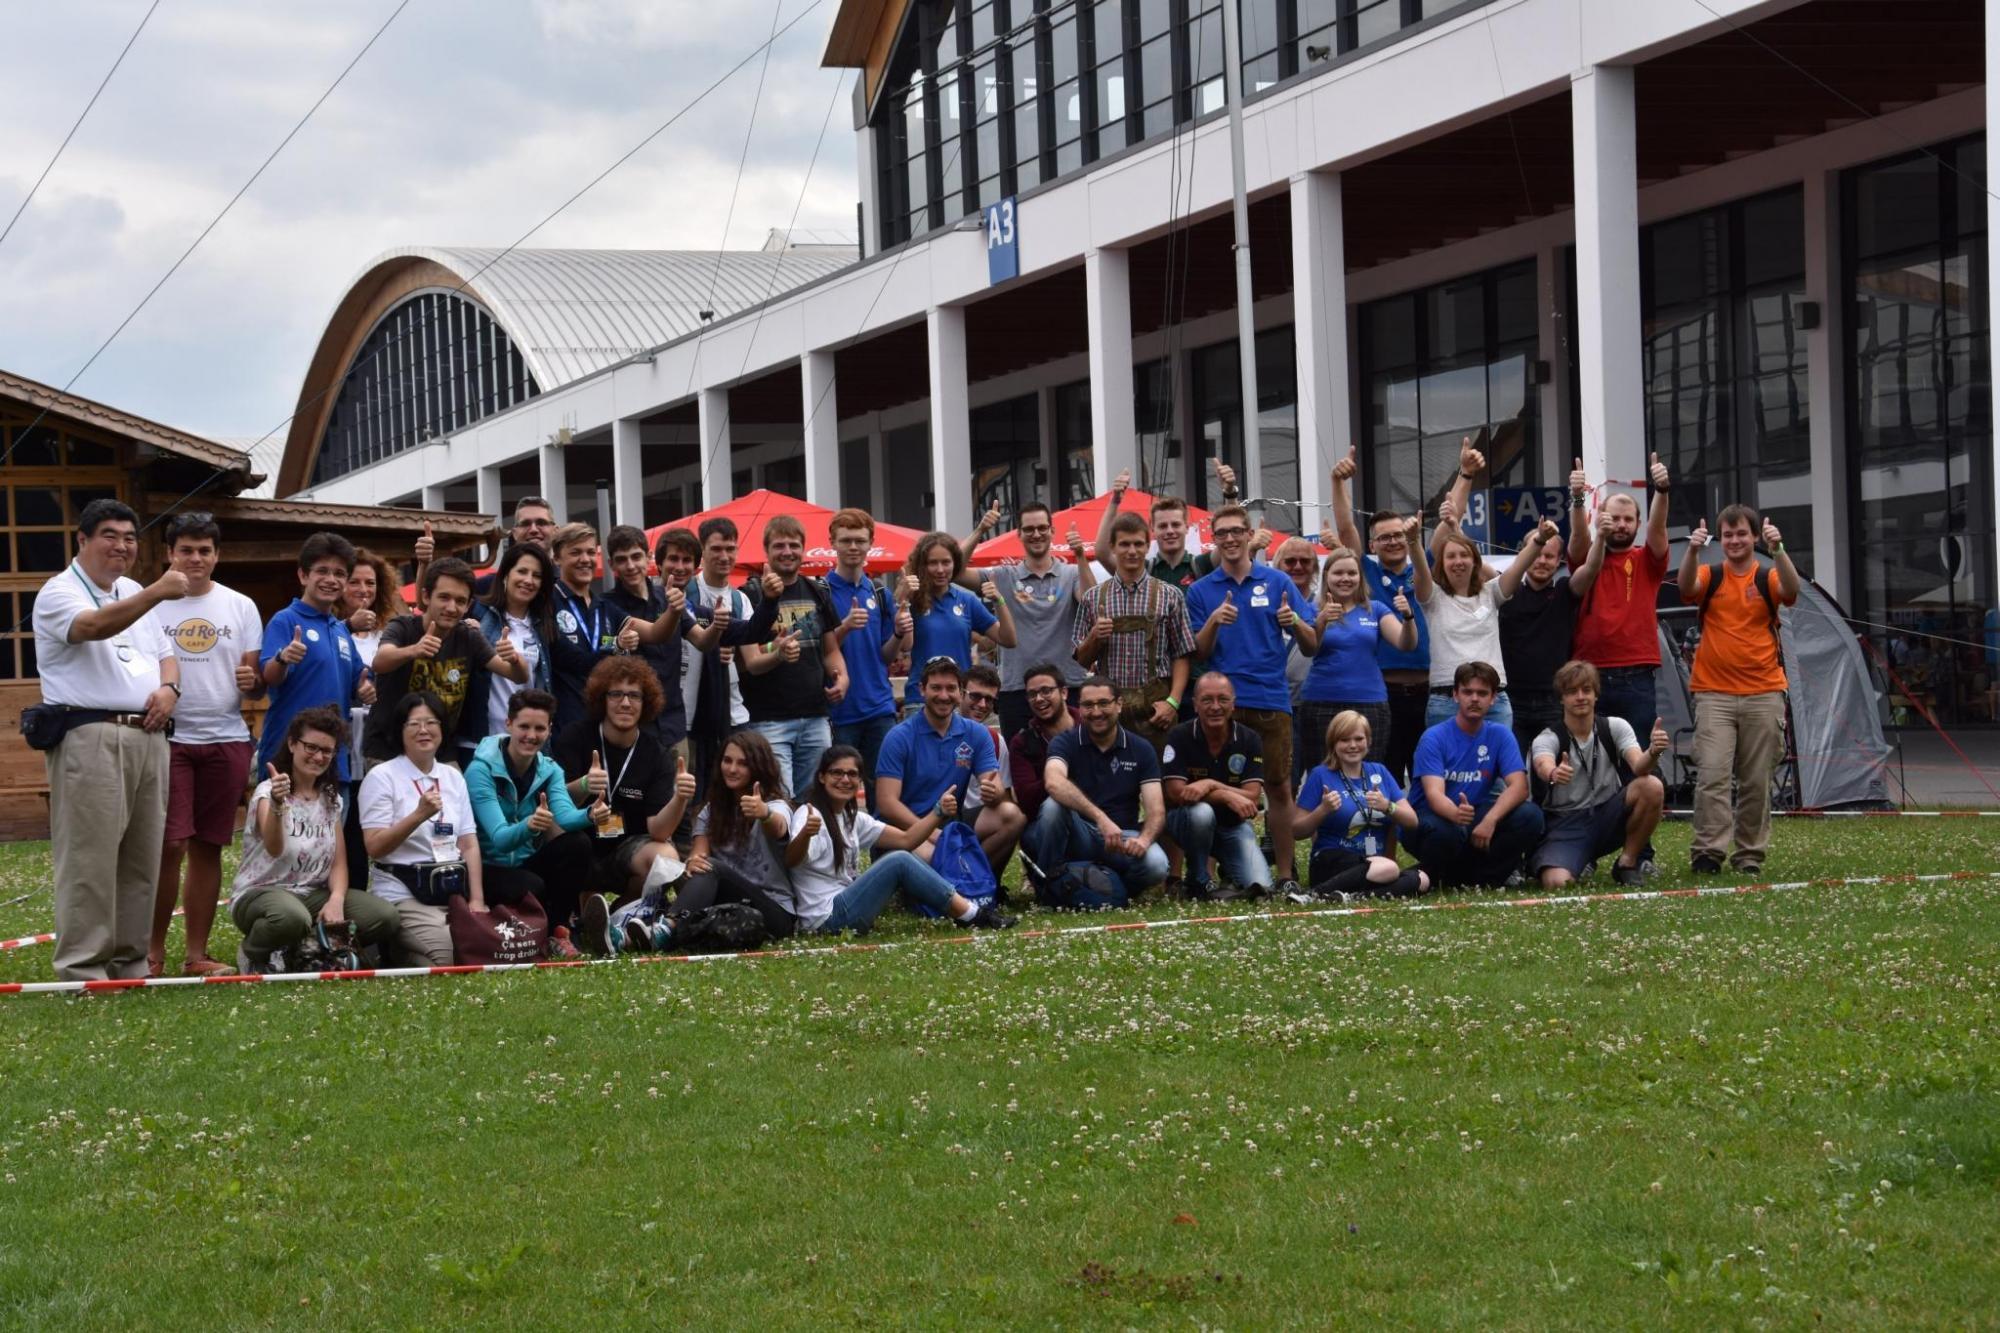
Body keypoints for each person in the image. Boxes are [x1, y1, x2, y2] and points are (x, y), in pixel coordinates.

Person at [32, 498, 185, 981]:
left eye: (130, 537)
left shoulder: (134, 590)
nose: (121, 546)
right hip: (90, 733)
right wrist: (159, 590)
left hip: (148, 732)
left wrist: (170, 687)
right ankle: (83, 968)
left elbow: (167, 654)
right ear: (83, 540)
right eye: (110, 536)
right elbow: (93, 627)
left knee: (141, 858)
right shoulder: (59, 592)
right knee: (90, 858)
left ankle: (129, 962)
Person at [1185, 503, 1321, 897]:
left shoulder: (1278, 582)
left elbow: (1312, 646)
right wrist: (1214, 620)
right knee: (1213, 788)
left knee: (1279, 788)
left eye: (1235, 532)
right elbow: (1198, 653)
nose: (1229, 539)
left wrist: (1292, 622)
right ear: (1214, 538)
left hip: (1270, 701)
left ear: (1249, 536)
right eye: (1221, 533)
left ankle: (1285, 872)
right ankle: (1207, 876)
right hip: (1220, 706)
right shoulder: (1201, 589)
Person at [149, 512, 263, 978]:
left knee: (208, 846)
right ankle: (151, 952)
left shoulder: (241, 606)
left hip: (228, 736)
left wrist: (252, 679)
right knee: (169, 844)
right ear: (169, 553)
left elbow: (254, 683)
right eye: (186, 549)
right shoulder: (151, 603)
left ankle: (195, 954)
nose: (195, 558)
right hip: (168, 738)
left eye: (204, 550)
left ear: (218, 555)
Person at [772, 746, 1016, 935]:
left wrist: (938, 812)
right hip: (826, 920)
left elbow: (907, 839)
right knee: (898, 861)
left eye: (852, 774)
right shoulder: (810, 814)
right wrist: (805, 834)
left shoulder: (851, 818)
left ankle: (968, 910)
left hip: (844, 908)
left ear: (859, 782)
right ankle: (972, 915)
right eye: (837, 772)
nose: (845, 779)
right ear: (822, 777)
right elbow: (793, 860)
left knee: (903, 856)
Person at [229, 707, 399, 974]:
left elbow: (339, 863)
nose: (318, 756)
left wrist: (336, 899)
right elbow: (274, 848)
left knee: (384, 917)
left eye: (327, 751)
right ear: (292, 744)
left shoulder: (331, 799)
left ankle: (302, 949)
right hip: (262, 893)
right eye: (311, 747)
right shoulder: (266, 791)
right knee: (290, 918)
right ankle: (253, 952)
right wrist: (277, 803)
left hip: (311, 895)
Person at [1679, 506, 1800, 875]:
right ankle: (1707, 853)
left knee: (1756, 782)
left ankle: (1749, 857)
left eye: (1742, 534)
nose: (1734, 541)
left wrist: (1779, 550)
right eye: (1728, 535)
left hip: (1764, 692)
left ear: (1754, 537)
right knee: (1712, 775)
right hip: (1713, 693)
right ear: (1720, 538)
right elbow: (1686, 589)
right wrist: (1692, 550)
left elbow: (1792, 592)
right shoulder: (1709, 574)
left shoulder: (1767, 576)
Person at [361, 692, 518, 966]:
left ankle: (406, 953)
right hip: (404, 892)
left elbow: (468, 843)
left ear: (442, 730)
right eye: (414, 724)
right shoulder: (382, 777)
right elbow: (374, 846)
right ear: (400, 731)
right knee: (450, 953)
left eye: (431, 722)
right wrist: (418, 815)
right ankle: (395, 951)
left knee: (481, 946)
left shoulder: (452, 776)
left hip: (450, 889)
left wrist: (477, 901)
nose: (424, 730)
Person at [259, 532, 379, 883]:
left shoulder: (339, 630)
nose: (331, 580)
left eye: (339, 573)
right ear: (303, 575)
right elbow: (269, 675)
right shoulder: (285, 621)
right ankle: (275, 927)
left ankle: (323, 930)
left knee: (324, 856)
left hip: (333, 763)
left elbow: (360, 677)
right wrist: (283, 657)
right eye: (322, 571)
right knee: (282, 856)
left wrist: (366, 687)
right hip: (286, 757)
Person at [550, 656, 696, 943]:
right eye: (616, 694)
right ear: (602, 698)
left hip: (624, 850)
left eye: (634, 695)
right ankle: (565, 918)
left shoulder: (656, 753)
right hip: (579, 842)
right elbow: (550, 803)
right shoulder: (574, 737)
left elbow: (659, 831)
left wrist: (680, 798)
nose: (625, 703)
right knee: (551, 830)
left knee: (665, 856)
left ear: (646, 703)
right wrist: (581, 786)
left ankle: (620, 916)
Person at [465, 688, 603, 959]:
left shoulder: (549, 768)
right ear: (508, 725)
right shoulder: (479, 771)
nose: (531, 735)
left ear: (550, 730)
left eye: (540, 728)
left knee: (578, 845)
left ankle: (557, 932)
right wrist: (530, 824)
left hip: (525, 865)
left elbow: (563, 817)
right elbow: (500, 839)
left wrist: (589, 814)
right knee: (532, 885)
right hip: (485, 869)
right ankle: (540, 931)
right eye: (524, 726)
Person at [362, 556, 528, 767]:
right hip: (388, 751)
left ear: (469, 605)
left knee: (456, 798)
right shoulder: (403, 626)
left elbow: (517, 675)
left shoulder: (469, 637)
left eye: (460, 601)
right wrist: (414, 650)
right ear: (426, 596)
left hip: (440, 753)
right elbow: (380, 661)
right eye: (444, 597)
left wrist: (514, 659)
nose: (451, 607)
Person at [1331, 446, 1432, 786]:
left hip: (1429, 693)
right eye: (1384, 537)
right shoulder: (1366, 573)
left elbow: (1452, 523)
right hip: (1383, 694)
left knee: (1427, 774)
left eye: (1398, 535)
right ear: (1372, 545)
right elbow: (1346, 531)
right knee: (1382, 776)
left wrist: (1464, 475)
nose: (1392, 541)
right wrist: (1337, 483)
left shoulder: (1424, 566)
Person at [1024, 675, 1169, 901]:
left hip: (1122, 838)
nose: (1096, 712)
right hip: (1079, 834)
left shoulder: (1141, 748)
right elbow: (1053, 781)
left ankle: (1111, 891)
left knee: (1157, 864)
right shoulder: (1064, 742)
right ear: (1079, 708)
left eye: (1104, 703)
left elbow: (1156, 810)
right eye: (1088, 705)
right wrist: (1100, 818)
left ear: (1119, 705)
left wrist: (1144, 840)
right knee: (1053, 807)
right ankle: (1051, 887)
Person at [876, 656, 1025, 876]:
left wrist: (992, 790)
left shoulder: (977, 734)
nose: (944, 696)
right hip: (905, 828)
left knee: (1011, 815)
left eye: (951, 688)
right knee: (932, 858)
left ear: (960, 691)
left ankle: (975, 880)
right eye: (936, 688)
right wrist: (931, 833)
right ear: (922, 689)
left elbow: (992, 782)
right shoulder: (899, 737)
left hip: (951, 823)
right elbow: (887, 804)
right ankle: (960, 882)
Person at [1529, 660, 1670, 888]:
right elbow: (1541, 764)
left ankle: (1627, 863)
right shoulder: (1548, 737)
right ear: (1561, 698)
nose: (1581, 697)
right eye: (1572, 692)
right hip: (1565, 823)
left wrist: (1653, 751)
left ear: (1596, 695)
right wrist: (1554, 772)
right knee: (1557, 883)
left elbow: (1639, 767)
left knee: (1651, 785)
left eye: (1587, 690)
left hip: (1607, 814)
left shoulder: (1615, 726)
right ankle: (1577, 858)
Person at [1405, 661, 1545, 889]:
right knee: (1448, 833)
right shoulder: (1434, 737)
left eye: (1482, 693)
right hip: (1430, 818)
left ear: (1493, 699)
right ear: (1455, 695)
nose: (1474, 699)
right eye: (1467, 692)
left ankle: (1478, 879)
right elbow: (1433, 795)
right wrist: (1456, 814)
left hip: (1473, 814)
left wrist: (1490, 820)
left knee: (1530, 816)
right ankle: (1445, 876)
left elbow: (1519, 787)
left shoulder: (1500, 735)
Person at [1567, 452, 1675, 737]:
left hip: (1637, 676)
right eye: (1614, 518)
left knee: (1635, 761)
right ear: (1600, 519)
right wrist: (1577, 497)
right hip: (1589, 675)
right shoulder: (1588, 557)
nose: (1622, 524)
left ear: (1638, 525)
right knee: (1591, 762)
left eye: (1629, 519)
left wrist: (1662, 491)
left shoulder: (1647, 561)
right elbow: (1578, 537)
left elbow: (1658, 527)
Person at [739, 513, 848, 796]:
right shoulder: (750, 594)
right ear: (767, 551)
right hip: (769, 719)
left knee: (813, 801)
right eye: (779, 546)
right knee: (779, 800)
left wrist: (842, 678)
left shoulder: (816, 590)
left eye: (793, 545)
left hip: (815, 716)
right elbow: (752, 663)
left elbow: (831, 649)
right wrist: (779, 654)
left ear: (803, 549)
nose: (787, 552)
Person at [965, 500, 1093, 737]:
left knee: (1073, 765)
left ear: (1052, 531)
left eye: (1042, 528)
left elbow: (1090, 601)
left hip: (1068, 687)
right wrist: (980, 531)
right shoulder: (1003, 575)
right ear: (1019, 534)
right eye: (1029, 529)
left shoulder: (1072, 573)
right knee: (1021, 766)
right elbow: (955, 571)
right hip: (1017, 690)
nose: (1037, 534)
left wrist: (1080, 555)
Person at [1073, 511, 1197, 750]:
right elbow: (1081, 659)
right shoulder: (1092, 598)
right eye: (1125, 544)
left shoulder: (1169, 595)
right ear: (1112, 547)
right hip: (1108, 713)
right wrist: (1094, 637)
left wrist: (1173, 702)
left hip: (1156, 711)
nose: (1132, 551)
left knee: (1161, 782)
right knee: (1111, 784)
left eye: (1138, 544)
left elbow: (1182, 654)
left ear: (1147, 545)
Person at [685, 517, 781, 800]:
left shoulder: (740, 600)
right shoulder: (685, 590)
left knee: (731, 796)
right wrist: (714, 643)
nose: (724, 556)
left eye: (730, 548)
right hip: (688, 715)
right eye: (716, 549)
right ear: (702, 549)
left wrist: (779, 652)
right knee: (691, 796)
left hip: (731, 713)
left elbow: (751, 660)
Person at [1409, 506, 1530, 730]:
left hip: (1493, 698)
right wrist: (1413, 542)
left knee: (1497, 765)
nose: (1458, 561)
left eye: (1464, 555)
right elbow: (1420, 569)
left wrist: (1539, 541)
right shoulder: (1433, 596)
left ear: (1475, 561)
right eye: (1451, 556)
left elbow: (1519, 567)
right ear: (1441, 563)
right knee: (1447, 765)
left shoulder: (1490, 592)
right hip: (1446, 699)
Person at [1297, 546, 1417, 771]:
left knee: (1368, 774)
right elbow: (1308, 649)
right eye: (1338, 573)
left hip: (1369, 703)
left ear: (1360, 577)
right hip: (1320, 703)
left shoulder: (1376, 609)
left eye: (1352, 573)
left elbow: (1406, 643)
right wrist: (1321, 621)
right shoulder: (1311, 609)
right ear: (1326, 576)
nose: (1345, 578)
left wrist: (1408, 617)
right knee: (1321, 773)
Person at [672, 729, 799, 941]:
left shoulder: (775, 805)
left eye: (742, 763)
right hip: (730, 903)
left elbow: (779, 827)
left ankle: (668, 927)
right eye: (727, 760)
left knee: (712, 869)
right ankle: (647, 931)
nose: (732, 769)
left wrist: (764, 813)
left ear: (758, 768)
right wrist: (693, 862)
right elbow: (699, 855)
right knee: (696, 869)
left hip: (775, 912)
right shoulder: (711, 811)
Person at [1160, 672, 1272, 901]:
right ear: (1195, 704)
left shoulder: (1250, 739)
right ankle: (1197, 879)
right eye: (1207, 700)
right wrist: (1225, 796)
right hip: (1187, 822)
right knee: (1201, 813)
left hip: (1233, 827)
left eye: (1223, 699)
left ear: (1233, 703)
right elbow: (1176, 793)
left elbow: (1251, 796)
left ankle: (1229, 874)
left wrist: (1211, 785)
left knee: (1261, 885)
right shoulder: (1178, 735)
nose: (1215, 707)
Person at [1294, 710, 1428, 901]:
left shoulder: (1379, 771)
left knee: (1422, 879)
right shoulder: (1320, 775)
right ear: (1333, 743)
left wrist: (1387, 806)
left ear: (1369, 741)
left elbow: (1412, 821)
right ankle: (1315, 893)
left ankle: (1351, 897)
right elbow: (1297, 831)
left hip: (1376, 865)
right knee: (1390, 868)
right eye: (1344, 740)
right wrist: (1322, 810)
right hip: (1331, 860)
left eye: (1359, 739)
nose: (1353, 745)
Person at [1500, 517, 1604, 759]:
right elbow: (1472, 561)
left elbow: (1591, 568)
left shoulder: (1565, 591)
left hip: (1554, 700)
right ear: (1524, 555)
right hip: (1511, 699)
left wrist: (1601, 536)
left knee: (1551, 774)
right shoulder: (1504, 591)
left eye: (1549, 556)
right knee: (1510, 773)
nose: (1542, 561)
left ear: (1559, 561)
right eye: (1536, 553)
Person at [824, 508, 906, 791]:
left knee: (883, 793)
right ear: (832, 543)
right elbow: (817, 649)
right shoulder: (821, 591)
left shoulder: (879, 593)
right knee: (838, 794)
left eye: (860, 540)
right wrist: (845, 627)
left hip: (880, 709)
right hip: (839, 712)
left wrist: (898, 632)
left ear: (871, 543)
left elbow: (887, 655)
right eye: (846, 540)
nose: (853, 547)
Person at [604, 524, 698, 754]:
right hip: (633, 728)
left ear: (649, 557)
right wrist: (615, 643)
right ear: (611, 565)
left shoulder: (666, 596)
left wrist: (719, 623)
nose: (631, 565)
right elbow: (656, 633)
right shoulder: (605, 606)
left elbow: (703, 640)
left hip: (673, 724)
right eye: (622, 559)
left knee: (682, 790)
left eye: (636, 556)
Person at [900, 532, 1014, 708]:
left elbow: (1008, 639)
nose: (940, 569)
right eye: (933, 563)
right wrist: (903, 600)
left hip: (959, 700)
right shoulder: (911, 599)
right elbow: (904, 646)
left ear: (955, 564)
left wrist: (999, 600)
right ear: (922, 565)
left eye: (946, 562)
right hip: (921, 701)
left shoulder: (966, 601)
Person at [1092, 459, 1242, 592]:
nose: (1170, 531)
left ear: (1187, 526)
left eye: (1176, 525)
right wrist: (1115, 500)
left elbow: (1233, 538)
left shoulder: (1201, 565)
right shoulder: (1142, 569)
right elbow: (1102, 552)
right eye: (1163, 526)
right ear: (1152, 530)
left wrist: (1230, 494)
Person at [469, 541, 555, 746]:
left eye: (536, 575)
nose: (528, 580)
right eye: (522, 571)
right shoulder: (478, 612)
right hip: (481, 740)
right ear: (506, 574)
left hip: (527, 742)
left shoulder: (544, 625)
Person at [1008, 660, 1079, 823]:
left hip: (1094, 822)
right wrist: (1061, 777)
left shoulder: (1090, 728)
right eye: (1032, 694)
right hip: (1043, 825)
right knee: (1053, 806)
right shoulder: (1022, 742)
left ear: (1064, 693)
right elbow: (1026, 799)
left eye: (1046, 691)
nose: (1039, 699)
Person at [473, 496, 559, 595]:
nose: (533, 530)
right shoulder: (486, 587)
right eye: (525, 524)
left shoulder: (568, 583)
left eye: (542, 523)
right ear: (514, 533)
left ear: (555, 531)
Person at [342, 547, 402, 669]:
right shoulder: (327, 628)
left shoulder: (386, 632)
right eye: (354, 582)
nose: (363, 590)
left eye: (370, 583)